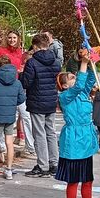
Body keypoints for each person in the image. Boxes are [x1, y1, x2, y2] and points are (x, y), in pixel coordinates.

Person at [55, 50, 100, 198]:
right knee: (74, 180)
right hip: (74, 141)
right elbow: (79, 85)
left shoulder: (83, 94)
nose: (75, 77)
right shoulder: (66, 97)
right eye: (71, 77)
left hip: (86, 140)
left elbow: (90, 79)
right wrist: (82, 62)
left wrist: (93, 61)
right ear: (64, 85)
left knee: (88, 179)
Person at [0, 30, 32, 157]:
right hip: (2, 90)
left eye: (14, 37)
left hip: (15, 87)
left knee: (25, 115)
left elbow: (22, 68)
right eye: (10, 37)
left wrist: (22, 70)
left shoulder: (20, 53)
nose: (12, 40)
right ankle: (2, 146)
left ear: (18, 38)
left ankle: (30, 145)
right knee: (2, 117)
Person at [21, 33, 59, 178]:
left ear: (35, 46)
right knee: (50, 132)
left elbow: (26, 82)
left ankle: (42, 165)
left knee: (39, 134)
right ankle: (54, 163)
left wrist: (21, 75)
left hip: (37, 100)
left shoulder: (32, 62)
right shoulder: (55, 61)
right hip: (51, 100)